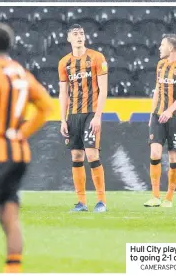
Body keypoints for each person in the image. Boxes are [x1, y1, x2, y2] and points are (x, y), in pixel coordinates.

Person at [0, 23, 53, 274]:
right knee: (9, 215)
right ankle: (13, 269)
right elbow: (46, 106)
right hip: (19, 152)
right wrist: (21, 133)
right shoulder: (21, 72)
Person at [58, 24, 109, 212]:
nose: (79, 36)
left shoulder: (97, 58)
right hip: (73, 115)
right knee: (76, 155)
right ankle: (81, 203)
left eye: (81, 33)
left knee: (91, 153)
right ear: (69, 39)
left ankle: (101, 201)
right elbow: (63, 93)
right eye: (75, 34)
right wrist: (63, 119)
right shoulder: (64, 63)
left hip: (91, 113)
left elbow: (103, 90)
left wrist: (98, 116)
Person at [144, 34, 176, 208]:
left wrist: (169, 110)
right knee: (155, 153)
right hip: (158, 115)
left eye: (162, 44)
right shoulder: (160, 65)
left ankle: (169, 198)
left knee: (173, 156)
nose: (159, 47)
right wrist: (152, 114)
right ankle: (155, 196)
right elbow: (157, 90)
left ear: (171, 48)